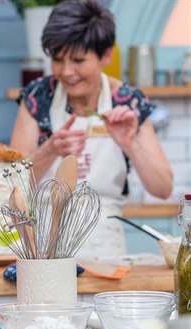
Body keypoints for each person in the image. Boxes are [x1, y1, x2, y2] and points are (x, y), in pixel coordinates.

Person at [10, 0, 173, 259]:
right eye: (58, 59)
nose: (67, 71)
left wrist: (131, 144)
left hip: (107, 250)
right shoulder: (37, 98)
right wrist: (49, 150)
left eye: (78, 60)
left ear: (106, 55)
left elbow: (163, 188)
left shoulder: (128, 102)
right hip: (41, 250)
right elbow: (10, 187)